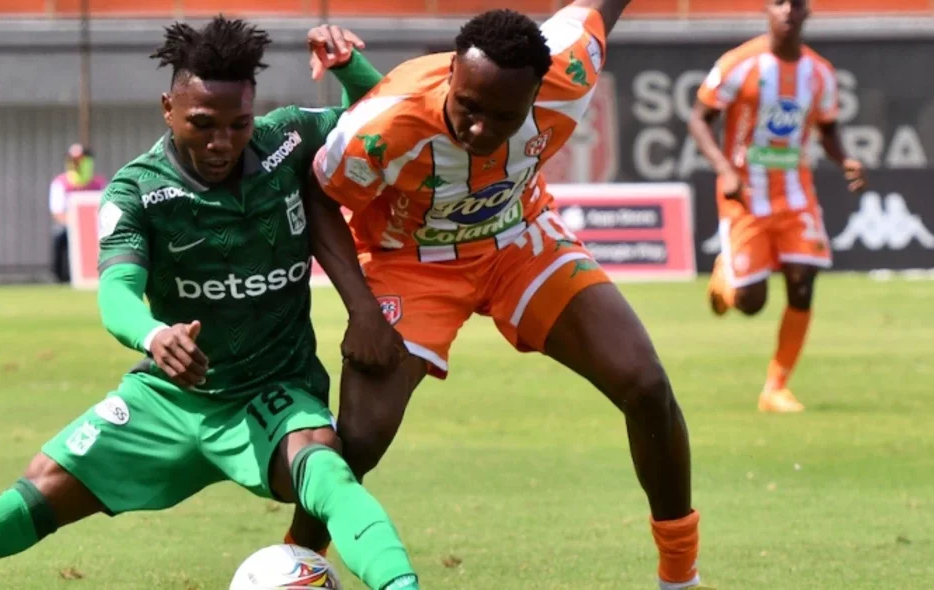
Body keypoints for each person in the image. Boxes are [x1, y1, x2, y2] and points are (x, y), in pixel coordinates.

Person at [0, 16, 422, 590]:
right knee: (18, 508)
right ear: (167, 107)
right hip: (168, 399)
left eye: (238, 123)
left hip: (271, 394)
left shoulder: (286, 141)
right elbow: (116, 293)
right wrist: (154, 335)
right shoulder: (138, 191)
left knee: (327, 470)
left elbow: (381, 125)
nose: (222, 142)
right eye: (203, 124)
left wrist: (347, 65)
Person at [286, 3, 706, 588]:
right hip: (412, 263)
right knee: (360, 438)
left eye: (504, 116)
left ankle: (680, 578)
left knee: (646, 383)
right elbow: (319, 195)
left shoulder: (570, 70)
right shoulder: (384, 124)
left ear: (539, 90)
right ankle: (290, 570)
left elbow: (599, 10)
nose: (480, 130)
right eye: (468, 108)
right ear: (453, 72)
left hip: (519, 241)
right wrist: (362, 312)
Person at [689, 0, 865, 413]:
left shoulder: (819, 73)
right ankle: (727, 277)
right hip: (745, 193)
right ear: (767, 11)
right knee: (751, 303)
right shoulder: (740, 64)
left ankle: (775, 388)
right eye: (779, 3)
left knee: (803, 282)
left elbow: (827, 129)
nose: (788, 11)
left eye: (796, 5)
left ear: (807, 14)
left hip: (796, 193)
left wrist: (845, 160)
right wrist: (724, 170)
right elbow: (699, 118)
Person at [49, 143, 108, 283]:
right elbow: (57, 212)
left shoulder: (100, 184)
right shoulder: (60, 183)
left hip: (97, 227)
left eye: (81, 160)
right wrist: (76, 226)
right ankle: (60, 277)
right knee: (58, 235)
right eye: (73, 160)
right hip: (69, 225)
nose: (77, 164)